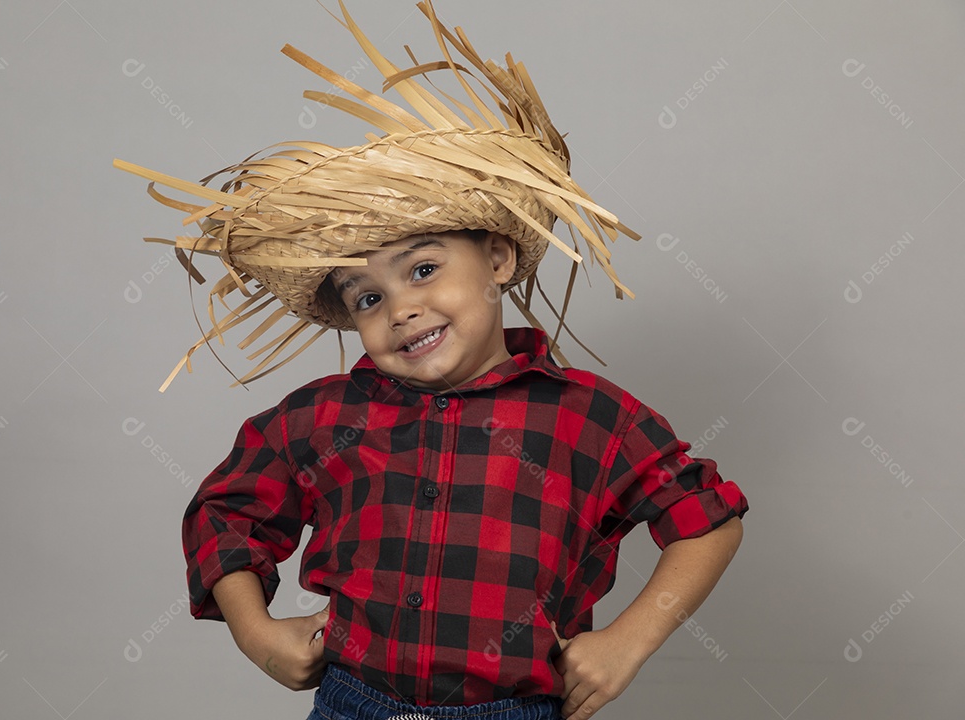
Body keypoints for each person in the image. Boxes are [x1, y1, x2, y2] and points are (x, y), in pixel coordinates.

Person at [113, 2, 749, 718]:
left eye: (422, 271)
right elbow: (225, 513)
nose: (400, 310)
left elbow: (708, 519)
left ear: (498, 258)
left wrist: (629, 641)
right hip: (355, 701)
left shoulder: (589, 417)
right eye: (366, 299)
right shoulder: (323, 416)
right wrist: (254, 632)